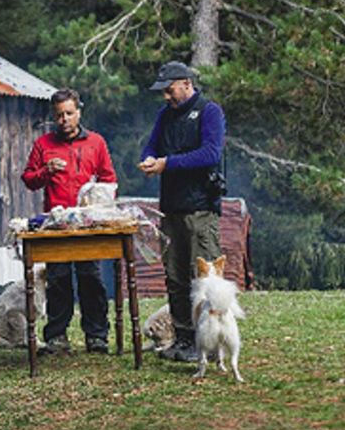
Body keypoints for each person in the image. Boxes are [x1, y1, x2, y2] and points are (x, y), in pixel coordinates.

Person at [138, 61, 226, 363]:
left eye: (169, 89)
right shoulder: (165, 115)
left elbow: (210, 153)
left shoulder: (209, 111)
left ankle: (211, 342)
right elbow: (150, 146)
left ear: (186, 83)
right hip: (171, 209)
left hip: (201, 208)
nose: (165, 96)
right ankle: (184, 338)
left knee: (202, 277)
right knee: (175, 278)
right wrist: (149, 160)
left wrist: (168, 164)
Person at [21, 88, 117, 354]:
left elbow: (109, 179)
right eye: (59, 115)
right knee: (58, 279)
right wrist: (45, 171)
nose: (64, 119)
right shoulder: (44, 145)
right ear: (54, 116)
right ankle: (57, 337)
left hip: (88, 221)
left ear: (79, 112)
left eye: (69, 114)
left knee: (91, 278)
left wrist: (98, 200)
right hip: (57, 222)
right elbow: (28, 180)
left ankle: (97, 336)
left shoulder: (96, 142)